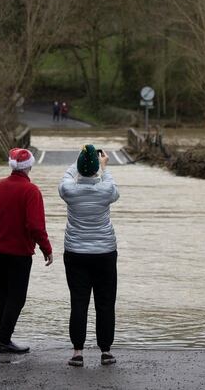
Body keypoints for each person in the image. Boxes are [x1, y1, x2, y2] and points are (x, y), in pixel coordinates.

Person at [0, 148, 54, 354]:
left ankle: (4, 339)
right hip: (20, 254)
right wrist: (46, 248)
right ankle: (4, 341)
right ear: (29, 166)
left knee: (2, 296)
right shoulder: (31, 191)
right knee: (17, 297)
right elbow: (36, 226)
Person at [58, 144, 120, 367]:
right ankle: (106, 351)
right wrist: (103, 166)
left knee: (79, 302)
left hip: (75, 253)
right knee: (105, 303)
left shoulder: (68, 191)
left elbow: (68, 174)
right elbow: (113, 187)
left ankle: (77, 352)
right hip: (104, 253)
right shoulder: (106, 189)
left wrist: (81, 160)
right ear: (96, 168)